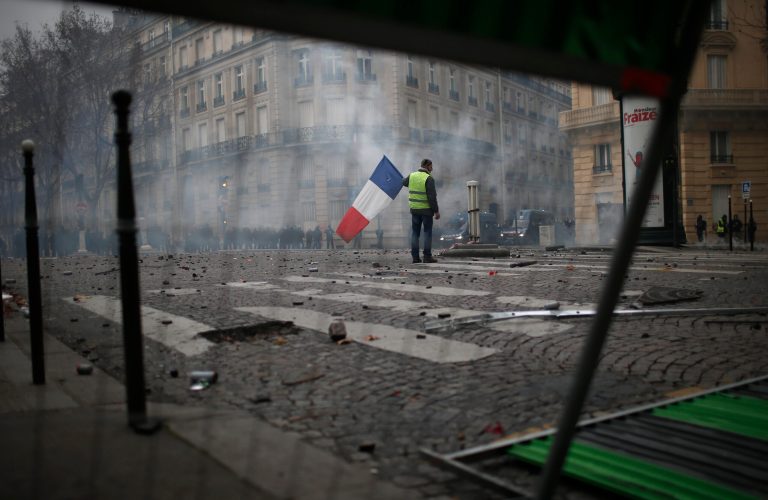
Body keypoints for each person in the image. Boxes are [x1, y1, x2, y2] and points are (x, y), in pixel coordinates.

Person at [402, 158, 440, 263]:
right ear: (427, 166)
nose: (432, 168)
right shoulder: (429, 178)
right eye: (431, 166)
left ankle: (415, 257)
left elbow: (404, 182)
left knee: (415, 233)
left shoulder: (412, 175)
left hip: (415, 210)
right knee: (427, 233)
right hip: (426, 211)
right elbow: (432, 197)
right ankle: (427, 256)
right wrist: (436, 211)